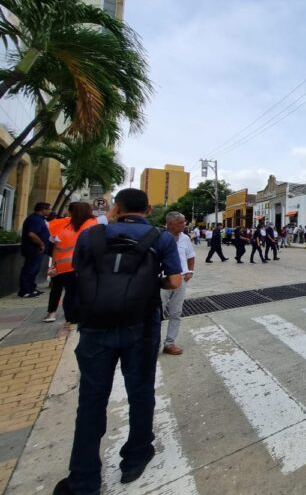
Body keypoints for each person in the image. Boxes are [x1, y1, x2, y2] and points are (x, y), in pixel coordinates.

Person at [53, 189, 181, 495]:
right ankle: (135, 457)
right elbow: (175, 281)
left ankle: (83, 478)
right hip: (141, 325)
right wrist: (153, 281)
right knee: (140, 391)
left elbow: (77, 273)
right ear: (149, 209)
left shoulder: (91, 236)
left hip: (95, 325)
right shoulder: (160, 238)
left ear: (116, 208)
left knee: (92, 398)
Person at [44, 203, 98, 324]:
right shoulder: (89, 224)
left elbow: (53, 245)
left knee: (58, 290)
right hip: (77, 264)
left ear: (70, 212)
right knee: (73, 292)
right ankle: (73, 317)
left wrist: (53, 263)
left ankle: (52, 313)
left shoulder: (60, 224)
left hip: (60, 265)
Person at [160, 211, 195, 356]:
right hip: (162, 281)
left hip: (180, 280)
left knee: (176, 313)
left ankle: (169, 343)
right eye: (181, 222)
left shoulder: (185, 238)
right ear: (170, 224)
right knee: (157, 314)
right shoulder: (159, 238)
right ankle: (153, 344)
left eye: (184, 221)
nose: (184, 224)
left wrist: (190, 272)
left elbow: (191, 256)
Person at [18, 202, 52, 298]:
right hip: (33, 249)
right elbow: (32, 234)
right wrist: (41, 244)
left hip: (36, 249)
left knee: (34, 269)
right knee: (30, 269)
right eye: (48, 209)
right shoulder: (35, 219)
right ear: (42, 209)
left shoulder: (39, 219)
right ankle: (25, 290)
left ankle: (31, 288)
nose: (50, 211)